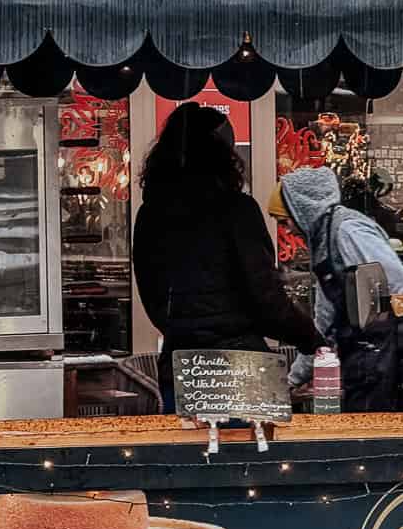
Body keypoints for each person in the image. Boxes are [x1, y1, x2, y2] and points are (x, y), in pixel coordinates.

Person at [133, 102, 324, 411]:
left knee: (188, 454)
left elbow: (151, 293)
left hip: (181, 361)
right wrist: (310, 338)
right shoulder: (236, 210)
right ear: (224, 155)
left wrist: (182, 327)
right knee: (252, 454)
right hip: (241, 362)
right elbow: (265, 298)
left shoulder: (150, 214)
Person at [272, 165, 403, 411]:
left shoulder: (347, 231)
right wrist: (294, 378)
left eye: (285, 220)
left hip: (382, 359)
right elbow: (325, 319)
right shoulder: (324, 239)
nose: (286, 230)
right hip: (361, 360)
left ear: (302, 209)